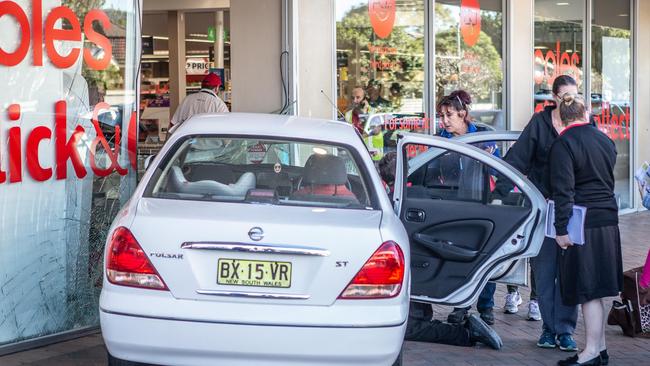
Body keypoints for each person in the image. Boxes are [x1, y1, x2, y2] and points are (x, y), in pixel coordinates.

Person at [378, 152, 503, 350]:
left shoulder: (389, 203)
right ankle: (463, 329)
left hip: (409, 276)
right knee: (410, 324)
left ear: (382, 178)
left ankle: (466, 334)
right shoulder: (423, 196)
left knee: (408, 329)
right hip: (422, 271)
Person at [492, 75, 581, 352]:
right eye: (567, 95)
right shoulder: (540, 124)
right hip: (544, 207)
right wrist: (498, 195)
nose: (572, 101)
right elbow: (518, 159)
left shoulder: (581, 124)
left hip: (573, 209)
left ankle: (565, 330)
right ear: (554, 97)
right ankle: (548, 328)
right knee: (544, 271)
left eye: (575, 95)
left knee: (569, 272)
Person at [549, 92, 622, 366]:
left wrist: (560, 229)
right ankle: (598, 348)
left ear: (562, 118)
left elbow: (563, 191)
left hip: (583, 224)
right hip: (608, 220)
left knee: (588, 289)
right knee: (597, 288)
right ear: (586, 114)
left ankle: (591, 352)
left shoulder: (563, 144)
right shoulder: (605, 140)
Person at [433, 90, 501, 326]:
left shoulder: (484, 136)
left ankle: (486, 307)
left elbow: (497, 170)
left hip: (482, 206)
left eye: (448, 115)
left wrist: (488, 156)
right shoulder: (439, 138)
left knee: (485, 258)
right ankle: (461, 306)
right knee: (460, 258)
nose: (444, 121)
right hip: (454, 207)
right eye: (441, 115)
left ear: (463, 114)